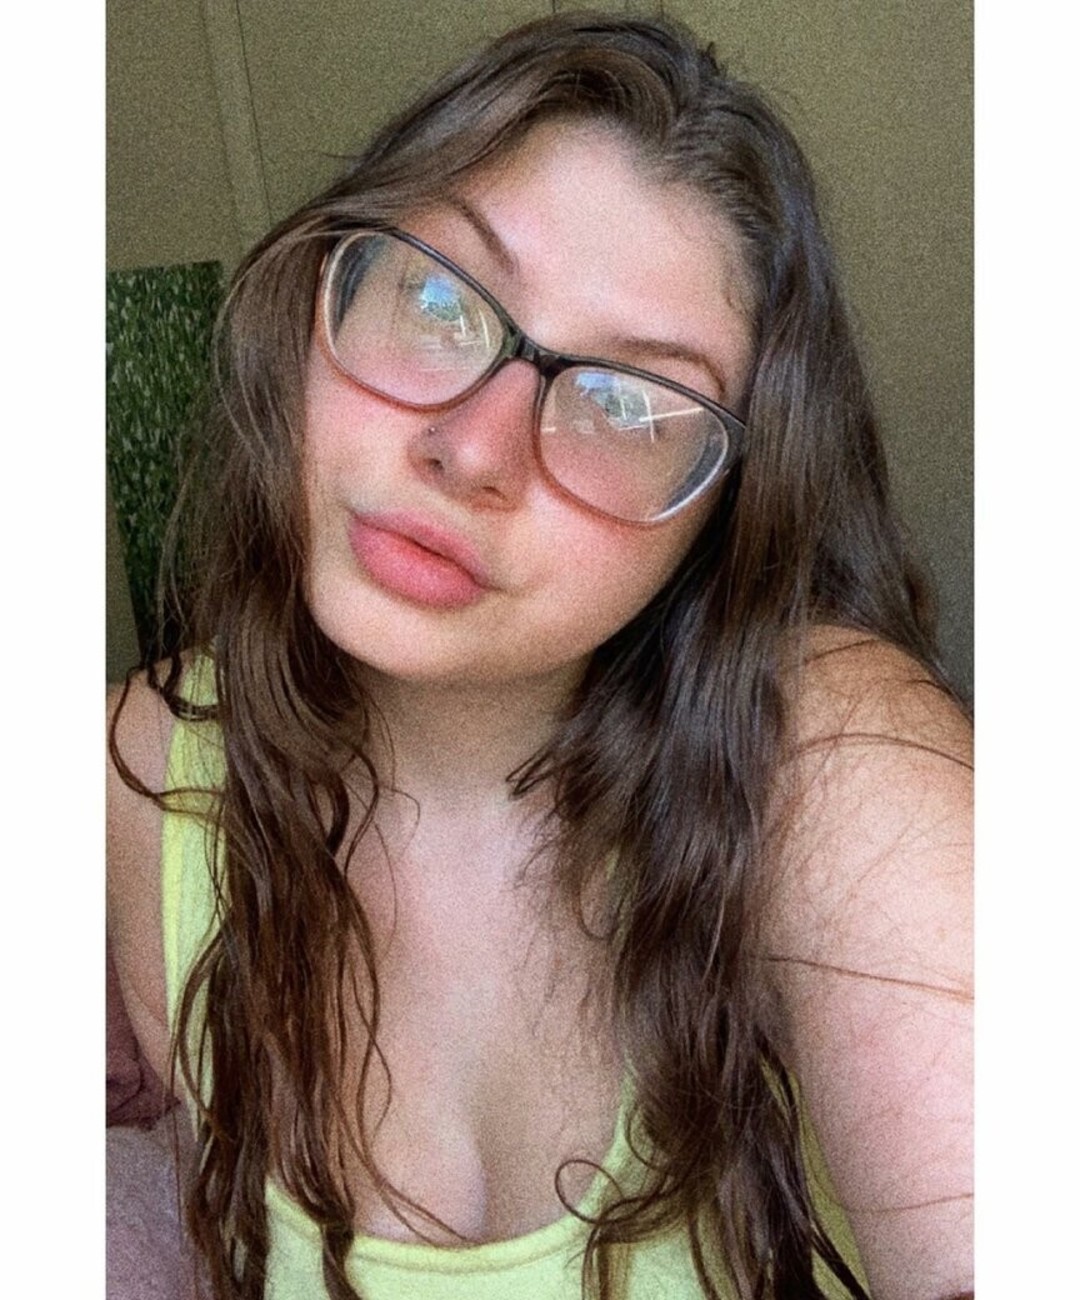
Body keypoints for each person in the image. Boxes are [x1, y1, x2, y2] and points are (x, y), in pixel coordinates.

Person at [106, 10, 973, 1300]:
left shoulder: (830, 751)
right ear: (321, 294)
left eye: (631, 403)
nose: (472, 449)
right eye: (437, 299)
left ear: (727, 516)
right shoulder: (144, 768)